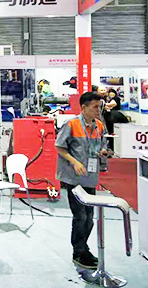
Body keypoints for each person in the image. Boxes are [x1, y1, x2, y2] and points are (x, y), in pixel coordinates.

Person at [55, 91, 109, 270]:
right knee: (80, 216)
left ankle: (84, 249)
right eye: (95, 107)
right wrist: (75, 162)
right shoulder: (71, 124)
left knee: (90, 219)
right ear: (84, 107)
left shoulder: (99, 126)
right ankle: (78, 252)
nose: (98, 110)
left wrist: (103, 151)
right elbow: (60, 147)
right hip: (73, 177)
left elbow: (102, 144)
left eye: (100, 107)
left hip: (90, 177)